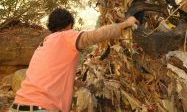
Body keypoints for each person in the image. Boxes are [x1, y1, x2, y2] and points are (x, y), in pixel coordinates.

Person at [10, 8, 138, 112]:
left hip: (17, 106)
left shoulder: (44, 44)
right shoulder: (66, 36)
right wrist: (126, 24)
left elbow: (51, 76)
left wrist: (79, 84)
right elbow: (96, 35)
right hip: (42, 108)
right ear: (69, 24)